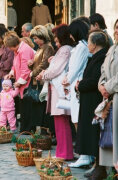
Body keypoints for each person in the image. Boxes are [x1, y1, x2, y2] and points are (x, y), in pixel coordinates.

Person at [95, 17, 118, 179]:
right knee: (108, 134)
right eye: (117, 27)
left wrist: (107, 88)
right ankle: (110, 170)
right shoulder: (111, 48)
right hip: (108, 97)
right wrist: (101, 85)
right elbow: (103, 70)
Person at [75, 31, 109, 177]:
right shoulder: (96, 56)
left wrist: (80, 85)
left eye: (89, 42)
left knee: (95, 134)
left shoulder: (100, 57)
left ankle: (99, 168)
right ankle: (96, 165)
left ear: (94, 44)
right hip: (89, 100)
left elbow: (95, 79)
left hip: (94, 100)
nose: (87, 45)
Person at [40, 24, 75, 160]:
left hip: (59, 89)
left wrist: (44, 75)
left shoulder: (65, 49)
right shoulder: (64, 49)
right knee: (59, 121)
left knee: (61, 120)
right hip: (57, 88)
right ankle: (62, 152)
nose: (55, 40)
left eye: (56, 37)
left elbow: (56, 69)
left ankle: (65, 153)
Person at [61, 19, 92, 168]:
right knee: (76, 118)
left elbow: (75, 68)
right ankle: (84, 153)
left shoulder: (81, 47)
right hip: (74, 84)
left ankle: (84, 154)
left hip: (77, 84)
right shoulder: (81, 46)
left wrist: (67, 80)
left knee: (78, 120)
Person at [24, 25, 54, 132]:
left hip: (42, 80)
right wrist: (30, 65)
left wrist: (32, 73)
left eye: (36, 38)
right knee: (38, 108)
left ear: (42, 36)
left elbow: (44, 64)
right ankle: (41, 132)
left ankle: (45, 133)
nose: (34, 40)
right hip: (37, 80)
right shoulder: (40, 48)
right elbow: (38, 63)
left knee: (42, 108)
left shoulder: (48, 48)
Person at [4, 32, 34, 131]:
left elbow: (26, 70)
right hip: (21, 82)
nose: (9, 49)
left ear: (13, 45)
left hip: (27, 83)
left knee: (27, 107)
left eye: (9, 47)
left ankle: (27, 130)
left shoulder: (24, 50)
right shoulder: (17, 50)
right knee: (23, 106)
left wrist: (19, 82)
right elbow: (15, 64)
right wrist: (12, 72)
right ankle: (25, 129)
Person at [0, 26, 14, 91]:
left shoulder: (9, 47)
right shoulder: (2, 46)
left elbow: (9, 63)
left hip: (7, 77)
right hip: (1, 76)